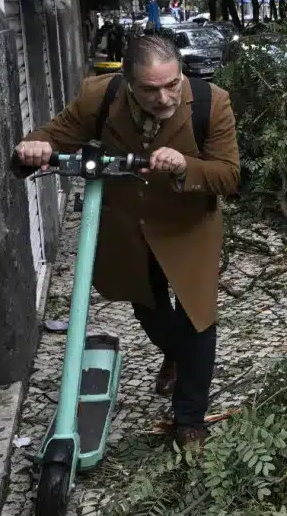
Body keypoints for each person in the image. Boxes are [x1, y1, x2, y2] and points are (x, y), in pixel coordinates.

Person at [14, 35, 241, 454]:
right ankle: (172, 353)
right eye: (150, 89)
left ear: (180, 72)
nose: (164, 96)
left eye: (171, 84)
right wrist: (38, 143)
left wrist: (185, 166)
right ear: (128, 80)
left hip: (188, 225)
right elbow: (55, 134)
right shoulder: (99, 96)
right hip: (129, 225)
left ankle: (189, 418)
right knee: (147, 305)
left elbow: (229, 175)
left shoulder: (212, 102)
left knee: (198, 319)